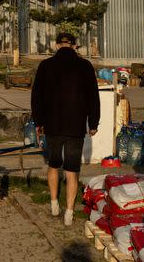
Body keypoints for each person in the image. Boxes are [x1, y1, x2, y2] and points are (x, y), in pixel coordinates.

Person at [31, 32, 100, 226]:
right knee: (71, 169)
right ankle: (69, 211)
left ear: (56, 45)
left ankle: (54, 203)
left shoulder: (46, 66)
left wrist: (38, 122)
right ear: (75, 46)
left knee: (53, 164)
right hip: (75, 124)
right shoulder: (85, 66)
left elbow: (37, 96)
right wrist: (93, 123)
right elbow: (93, 97)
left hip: (52, 124)